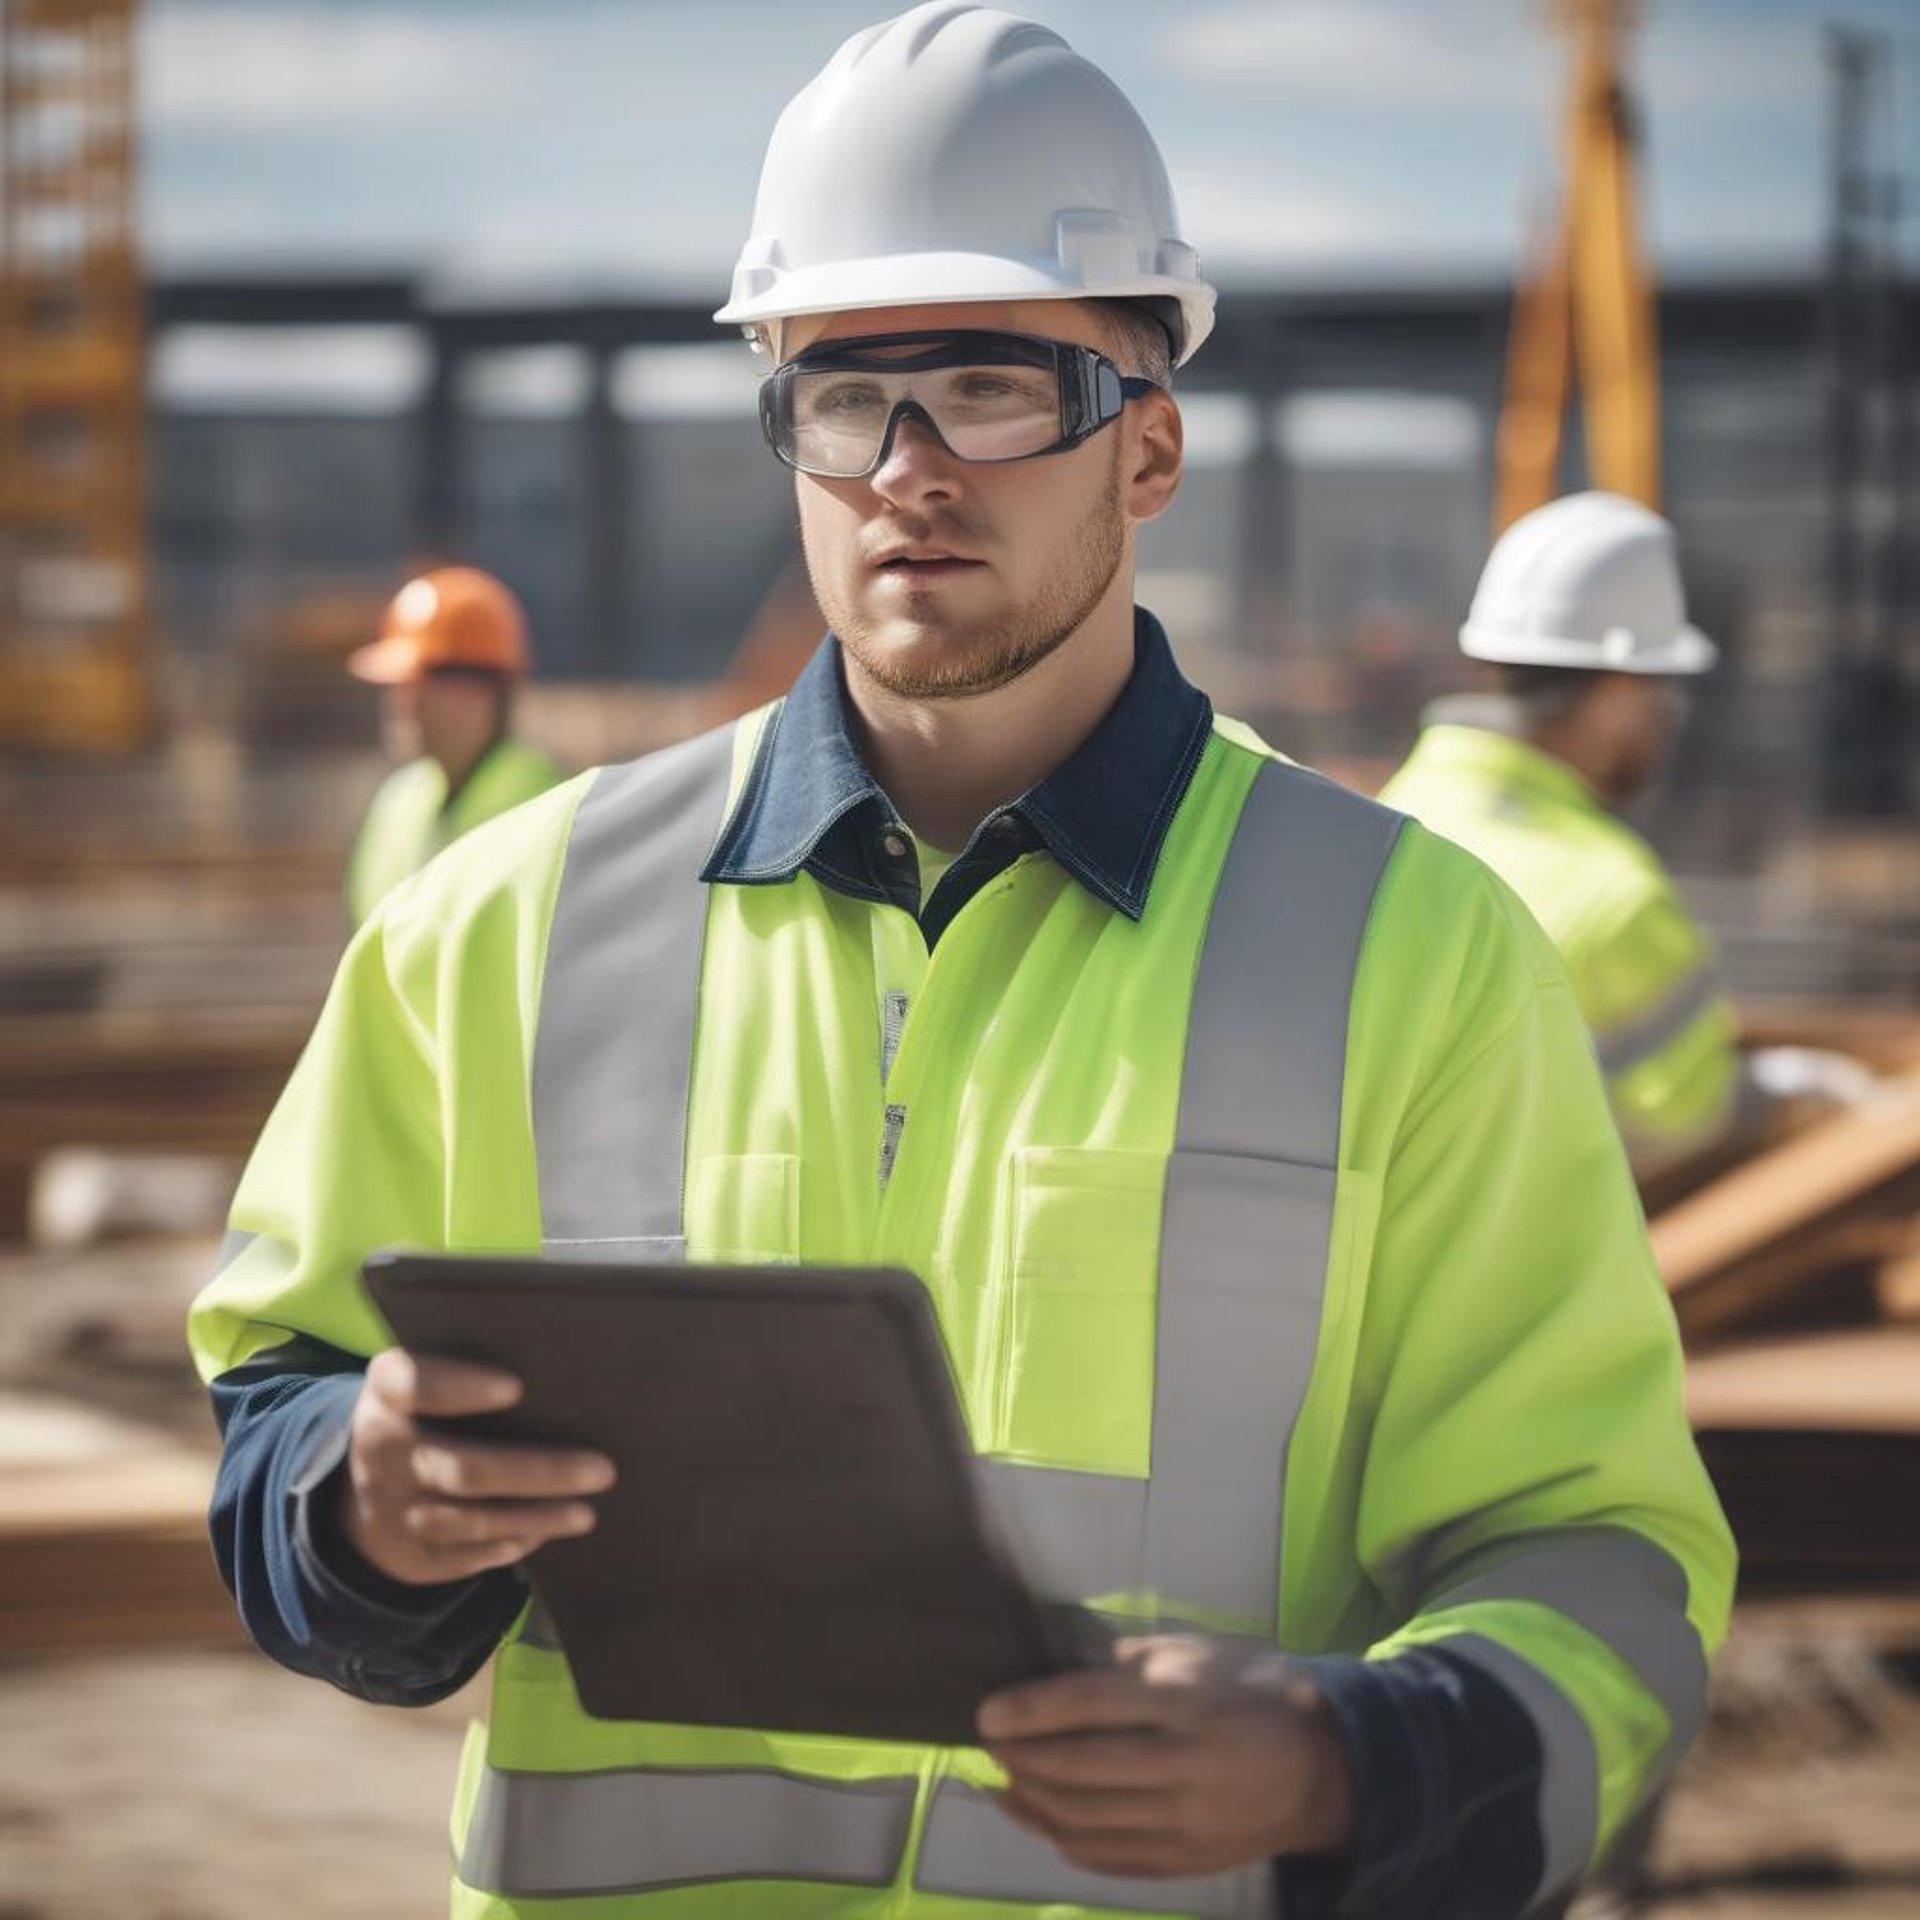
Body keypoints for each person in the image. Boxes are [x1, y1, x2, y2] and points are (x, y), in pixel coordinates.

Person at [190, 10, 1733, 1920]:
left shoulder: (1410, 960)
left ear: (1148, 445)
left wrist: (1349, 1761)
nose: (909, 469)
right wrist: (367, 1495)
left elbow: (1601, 1559)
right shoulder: (501, 928)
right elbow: (282, 1400)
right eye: (847, 397)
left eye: (993, 386)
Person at [1378, 491, 1856, 1184]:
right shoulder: (1613, 894)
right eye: (1667, 695)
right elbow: (1687, 1125)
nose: (1667, 722)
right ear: (1620, 696)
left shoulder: (1390, 819)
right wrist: (1794, 1094)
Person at [343, 565, 564, 927]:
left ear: (482, 692)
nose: (404, 704)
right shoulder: (398, 801)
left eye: (421, 682)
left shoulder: (537, 801)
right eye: (399, 685)